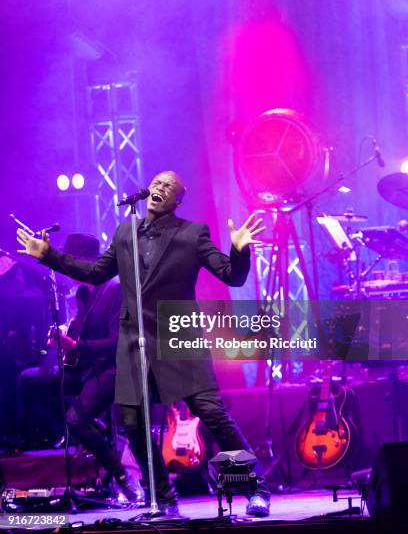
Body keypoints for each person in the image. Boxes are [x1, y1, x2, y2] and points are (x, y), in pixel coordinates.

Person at [17, 170, 270, 517]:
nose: (160, 188)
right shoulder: (126, 233)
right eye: (157, 183)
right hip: (134, 344)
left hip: (179, 339)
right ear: (147, 191)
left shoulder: (192, 234)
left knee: (213, 415)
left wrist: (239, 251)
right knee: (134, 425)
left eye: (169, 186)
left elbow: (233, 275)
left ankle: (256, 489)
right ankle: (163, 501)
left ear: (178, 199)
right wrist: (49, 255)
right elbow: (94, 273)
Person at [18, 233, 142, 504]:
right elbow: (79, 329)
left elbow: (116, 342)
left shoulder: (114, 288)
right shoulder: (84, 292)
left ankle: (122, 476)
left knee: (75, 419)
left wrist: (76, 345)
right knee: (29, 382)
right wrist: (62, 335)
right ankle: (87, 430)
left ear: (85, 261)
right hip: (85, 368)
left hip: (112, 369)